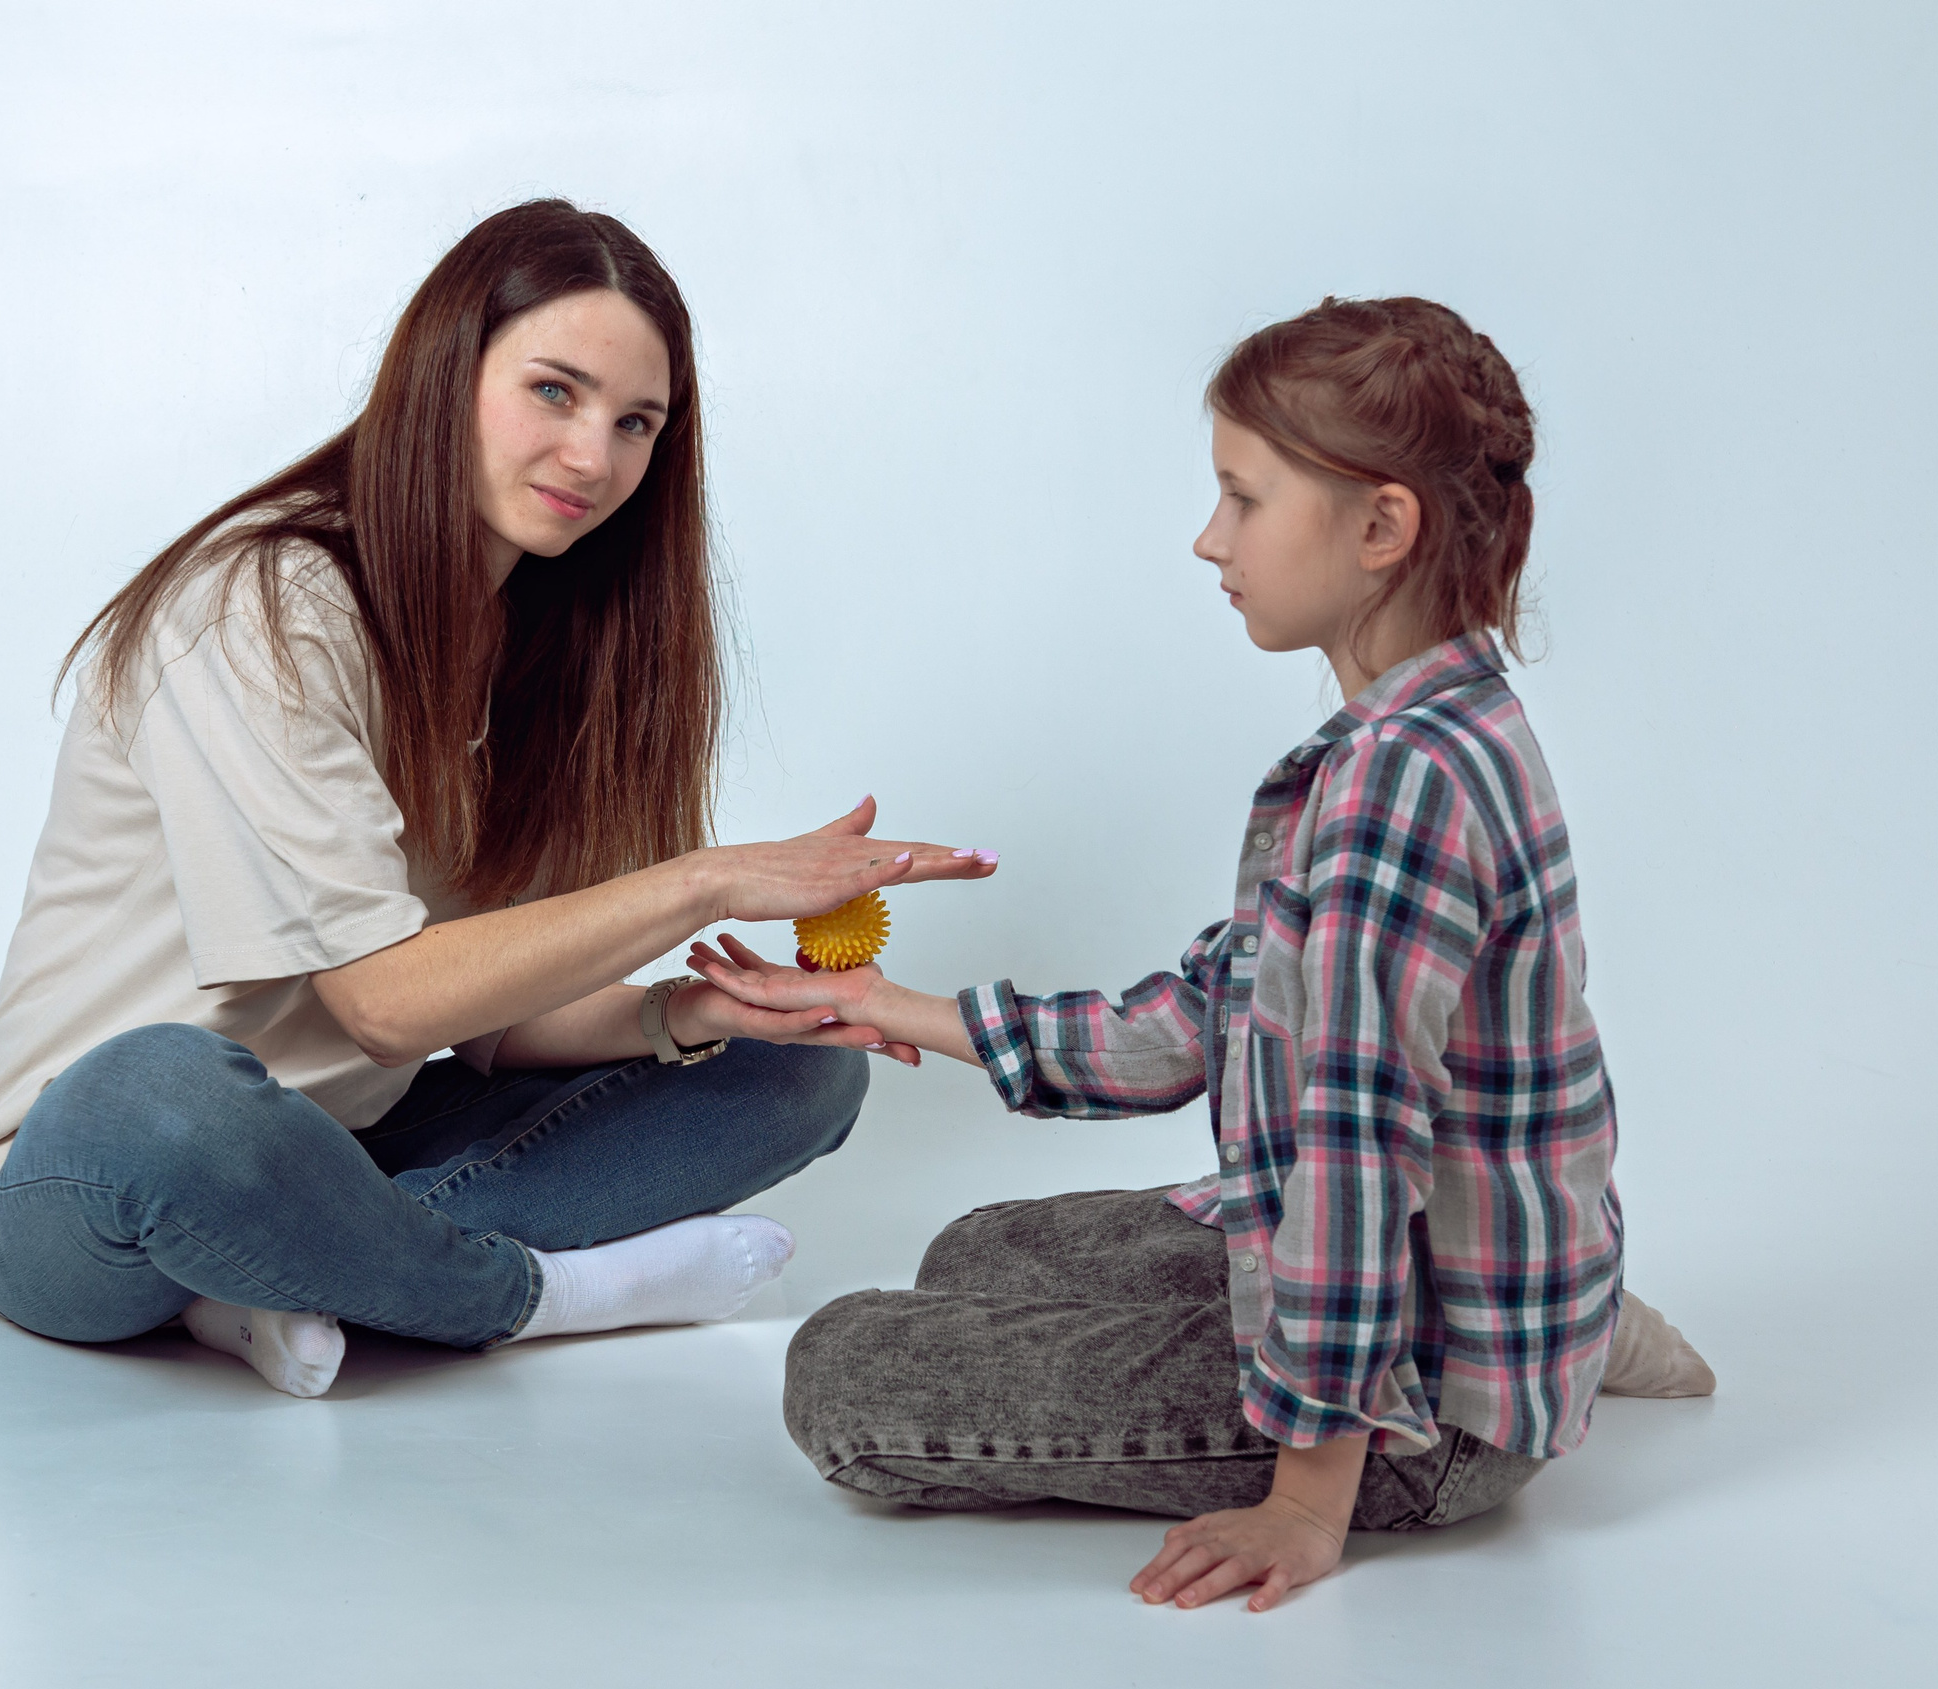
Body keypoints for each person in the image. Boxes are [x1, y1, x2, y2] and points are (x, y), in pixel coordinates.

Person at [685, 297, 1714, 1611]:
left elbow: (1350, 1153)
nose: (1208, 537)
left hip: (1421, 1418)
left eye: (1242, 497)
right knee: (979, 1249)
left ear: (1381, 528)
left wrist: (1306, 1500)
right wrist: (891, 1006)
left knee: (841, 1370)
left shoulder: (1392, 794)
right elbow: (1203, 1013)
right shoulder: (1444, 723)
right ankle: (1575, 1320)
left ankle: (1477, 1386)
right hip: (1454, 1282)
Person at [0, 200, 996, 1398]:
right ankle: (533, 1296)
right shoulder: (261, 605)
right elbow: (384, 1005)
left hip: (349, 1144)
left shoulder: (543, 644)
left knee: (799, 1073)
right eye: (555, 392)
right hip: (92, 1183)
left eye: (636, 424)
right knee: (161, 1090)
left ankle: (281, 1276)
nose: (594, 458)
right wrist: (709, 881)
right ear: (443, 375)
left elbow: (488, 1022)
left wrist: (688, 1015)